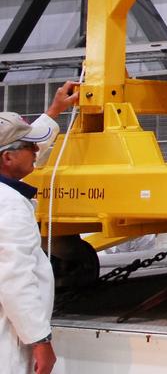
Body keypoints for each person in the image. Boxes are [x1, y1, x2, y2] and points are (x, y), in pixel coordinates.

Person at [0, 80, 79, 374]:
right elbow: (14, 280)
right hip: (9, 339)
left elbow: (29, 152)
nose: (36, 150)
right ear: (7, 157)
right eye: (29, 146)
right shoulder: (9, 205)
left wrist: (55, 110)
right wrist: (40, 340)